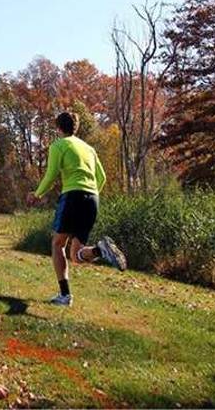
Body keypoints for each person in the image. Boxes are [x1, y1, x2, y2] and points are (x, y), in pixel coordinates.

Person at [27, 112, 126, 307]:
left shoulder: (58, 145)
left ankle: (65, 296)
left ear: (58, 128)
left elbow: (52, 174)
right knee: (76, 255)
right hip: (92, 199)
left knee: (57, 244)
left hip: (72, 197)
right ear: (76, 127)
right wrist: (90, 194)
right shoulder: (89, 149)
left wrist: (37, 194)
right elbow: (102, 177)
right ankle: (100, 250)